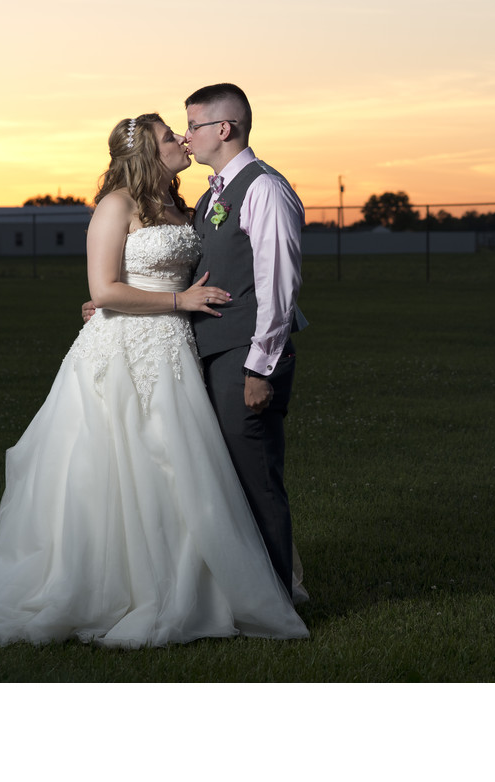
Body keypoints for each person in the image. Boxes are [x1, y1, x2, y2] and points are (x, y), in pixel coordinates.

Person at [0, 113, 308, 647]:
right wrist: (167, 300)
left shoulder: (182, 207)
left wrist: (164, 300)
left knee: (185, 468)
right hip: (124, 350)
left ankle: (207, 581)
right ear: (147, 153)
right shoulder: (116, 205)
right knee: (120, 464)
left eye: (185, 130)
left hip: (176, 349)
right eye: (171, 136)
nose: (182, 140)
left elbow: (180, 271)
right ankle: (118, 586)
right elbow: (108, 286)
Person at [182, 83, 307, 597]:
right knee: (225, 480)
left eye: (193, 126)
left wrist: (260, 369)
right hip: (215, 354)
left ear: (224, 129)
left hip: (246, 358)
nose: (186, 137)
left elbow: (278, 286)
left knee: (255, 478)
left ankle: (276, 600)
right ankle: (240, 592)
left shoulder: (264, 189)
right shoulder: (211, 193)